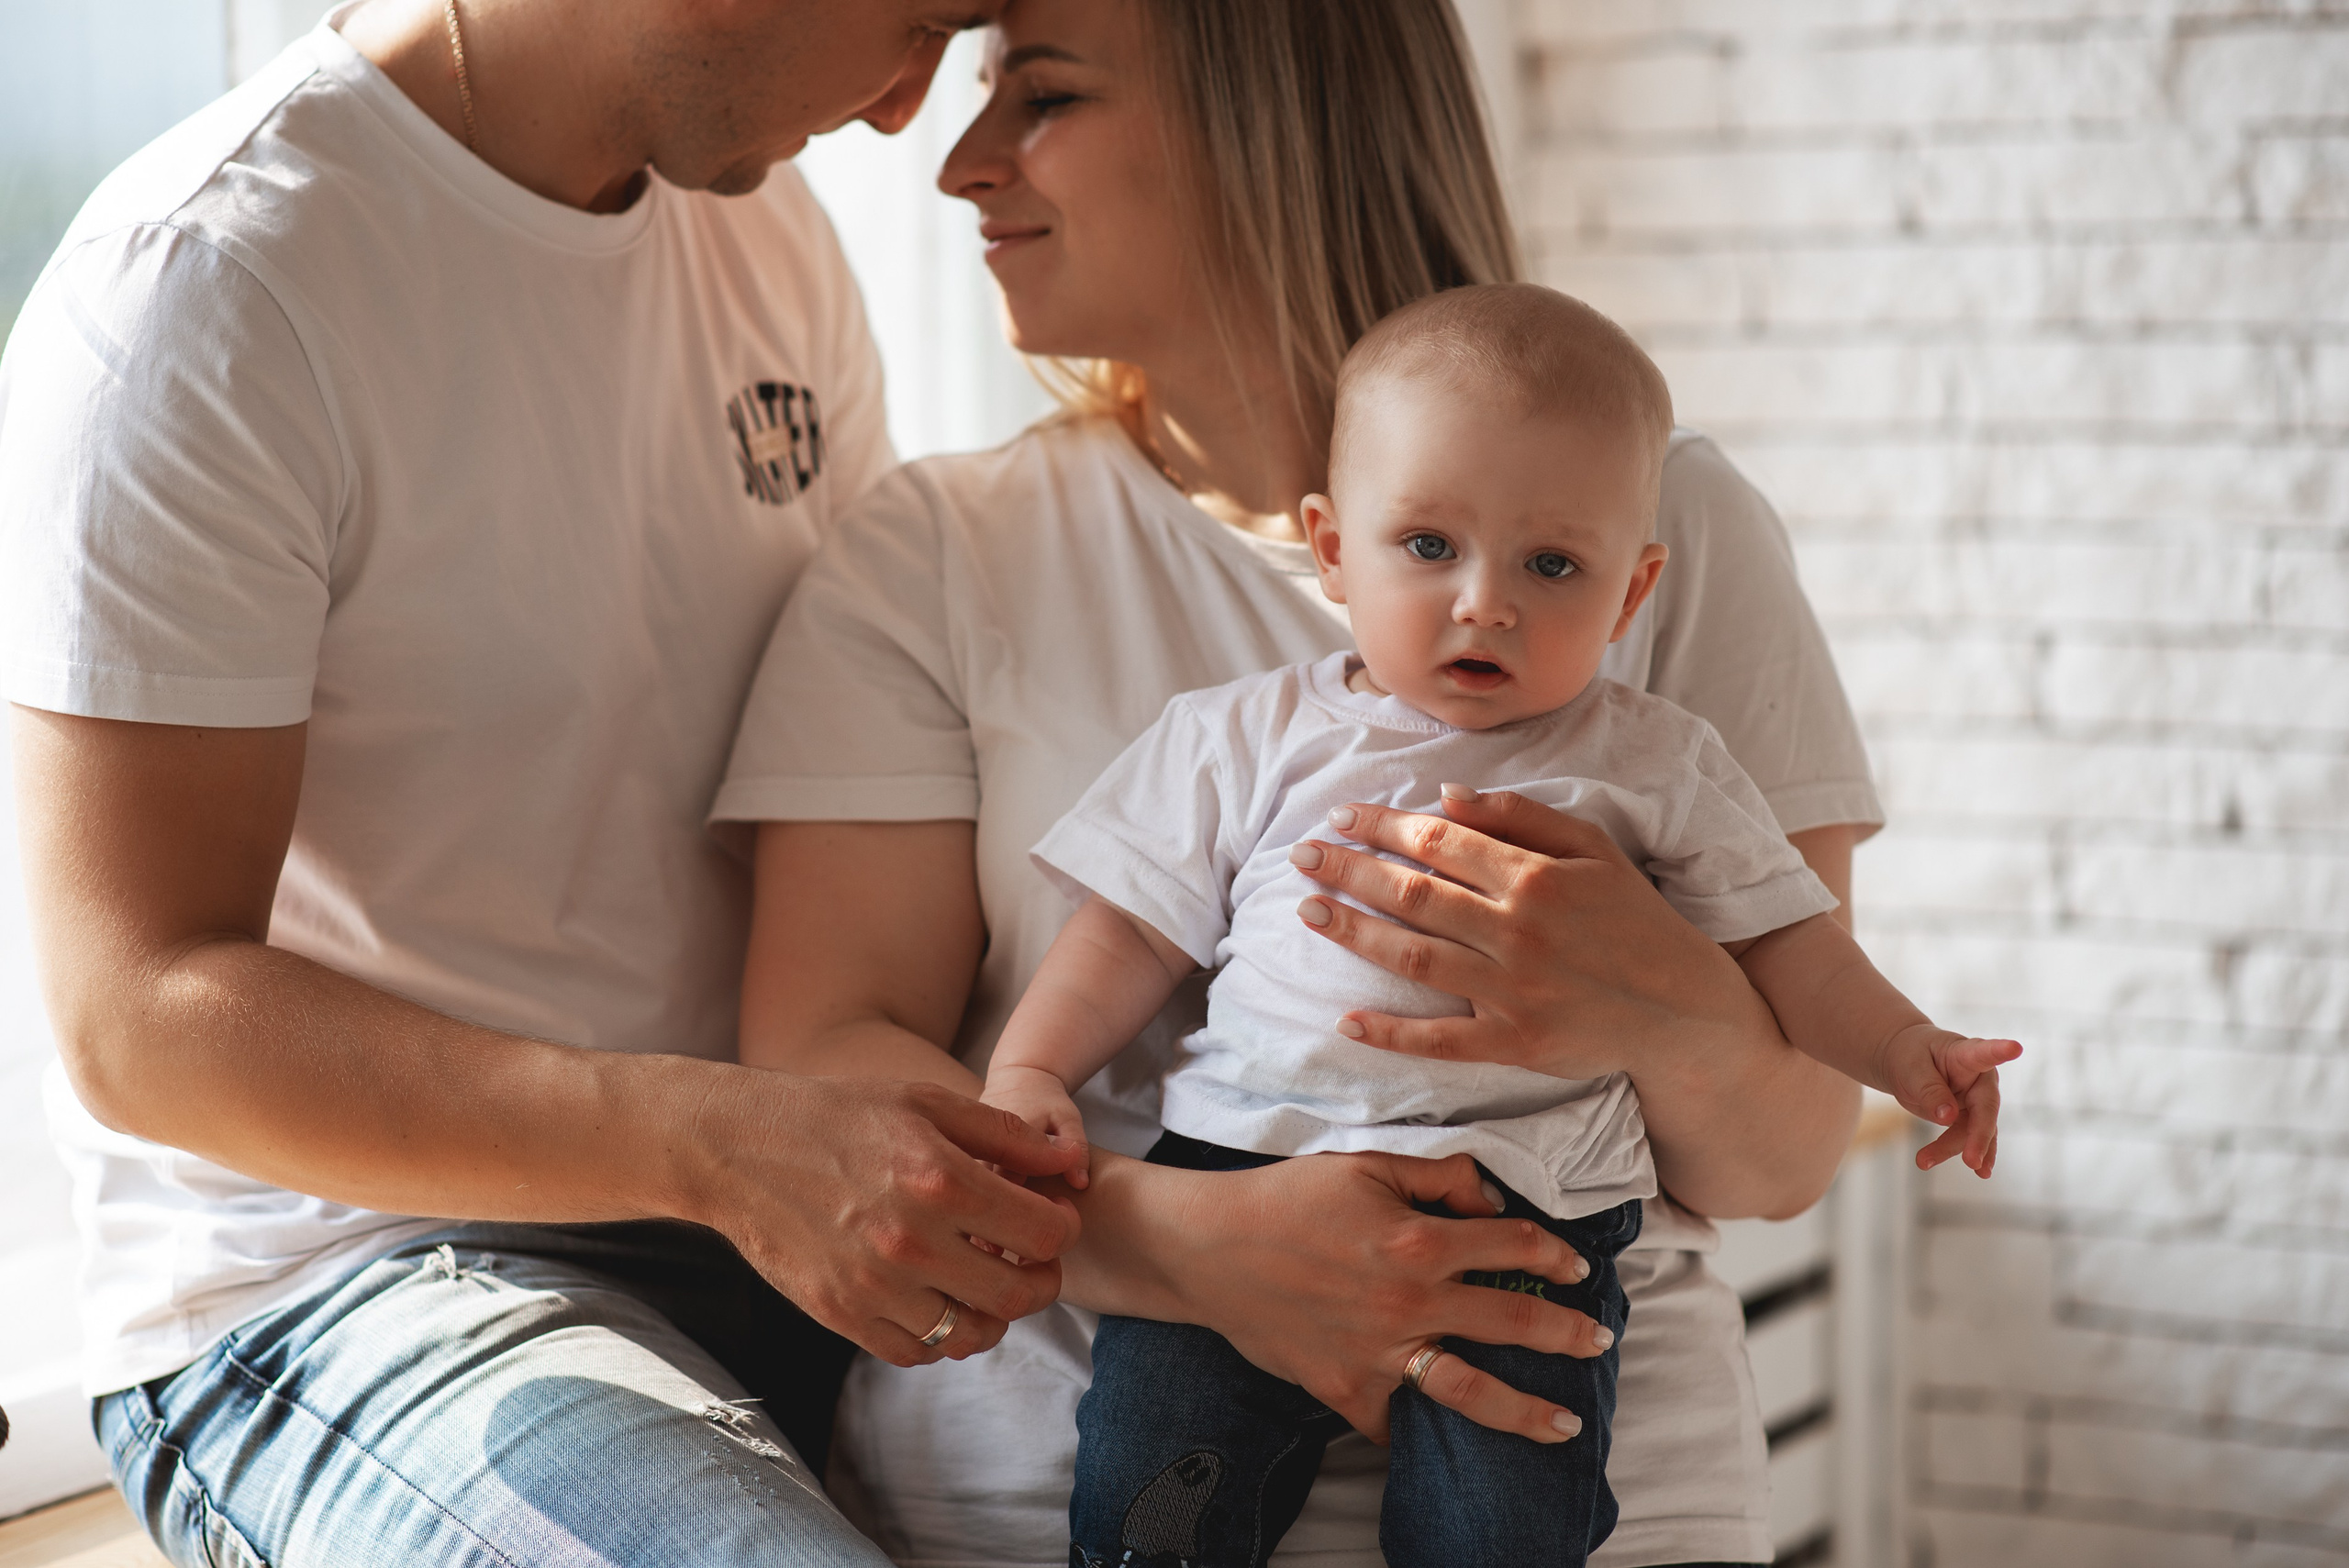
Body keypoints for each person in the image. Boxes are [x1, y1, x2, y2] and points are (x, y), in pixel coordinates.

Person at [718, 0, 1965, 1563]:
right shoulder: (937, 555)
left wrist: (1645, 998)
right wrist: (1183, 1241)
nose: (963, 164)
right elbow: (818, 1062)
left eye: (1038, 95)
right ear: (1330, 545)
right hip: (1047, 1503)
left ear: (1272, 121)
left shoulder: (1669, 525)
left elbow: (1782, 1159)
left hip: (1595, 1467)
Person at [0, 3, 1089, 1564]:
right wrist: (710, 1141)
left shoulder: (764, 233)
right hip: (350, 1280)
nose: (908, 115)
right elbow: (142, 1014)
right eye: (915, 26)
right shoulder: (214, 282)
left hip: (765, 1206)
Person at [982, 284, 2015, 1567]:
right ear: (1331, 546)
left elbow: (1789, 946)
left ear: (1632, 592)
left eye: (1551, 564)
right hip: (1240, 1172)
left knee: (1506, 1524)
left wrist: (1914, 1050)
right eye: (1428, 546)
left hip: (1530, 1209)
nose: (1486, 602)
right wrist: (1031, 1069)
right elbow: (1130, 933)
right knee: (1155, 1481)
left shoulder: (1654, 763)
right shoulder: (1243, 737)